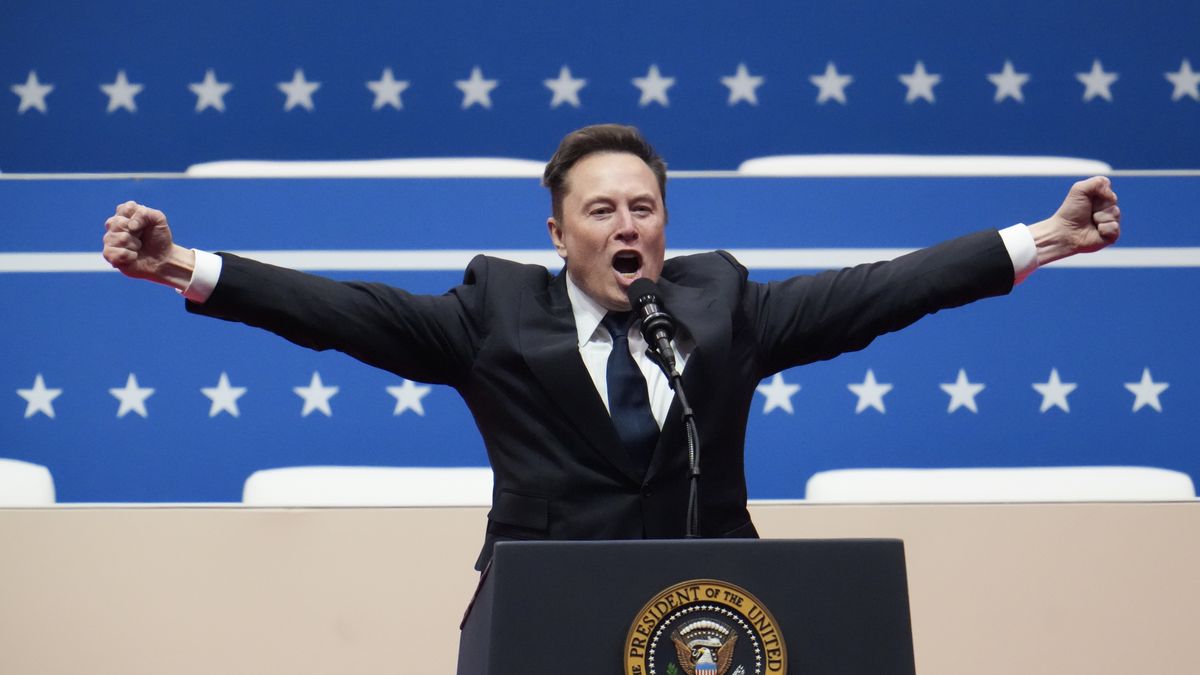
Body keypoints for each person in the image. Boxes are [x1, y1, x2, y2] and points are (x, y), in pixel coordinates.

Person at [102, 124, 1120, 570]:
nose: (626, 225)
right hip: (546, 623)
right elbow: (344, 312)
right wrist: (186, 263)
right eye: (601, 209)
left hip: (713, 618)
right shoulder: (492, 315)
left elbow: (881, 293)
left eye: (644, 207)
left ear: (665, 224)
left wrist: (1045, 239)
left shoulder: (722, 308)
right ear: (558, 233)